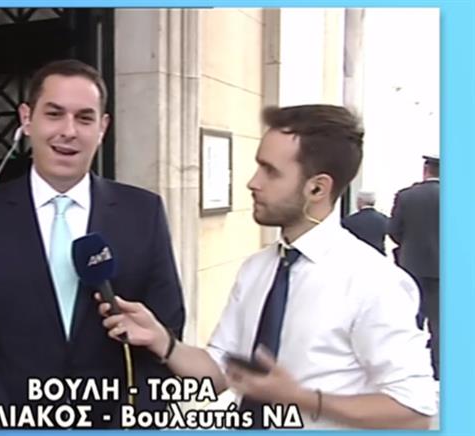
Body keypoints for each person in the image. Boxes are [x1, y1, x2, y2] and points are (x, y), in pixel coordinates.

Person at [98, 105, 436, 429]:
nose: (253, 182)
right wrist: (163, 342)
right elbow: (220, 372)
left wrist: (302, 399)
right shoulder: (257, 269)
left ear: (317, 187)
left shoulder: (374, 282)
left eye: (270, 171)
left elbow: (414, 412)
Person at [0, 59, 185, 427]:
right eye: (54, 114)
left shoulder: (143, 212)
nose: (68, 131)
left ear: (102, 128)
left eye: (84, 118)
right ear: (27, 119)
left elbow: (166, 328)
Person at [389, 155, 440, 379]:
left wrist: (409, 245)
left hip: (411, 266)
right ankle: (439, 370)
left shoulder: (406, 196)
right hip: (443, 269)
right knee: (440, 323)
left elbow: (393, 230)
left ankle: (409, 369)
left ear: (426, 170)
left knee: (409, 320)